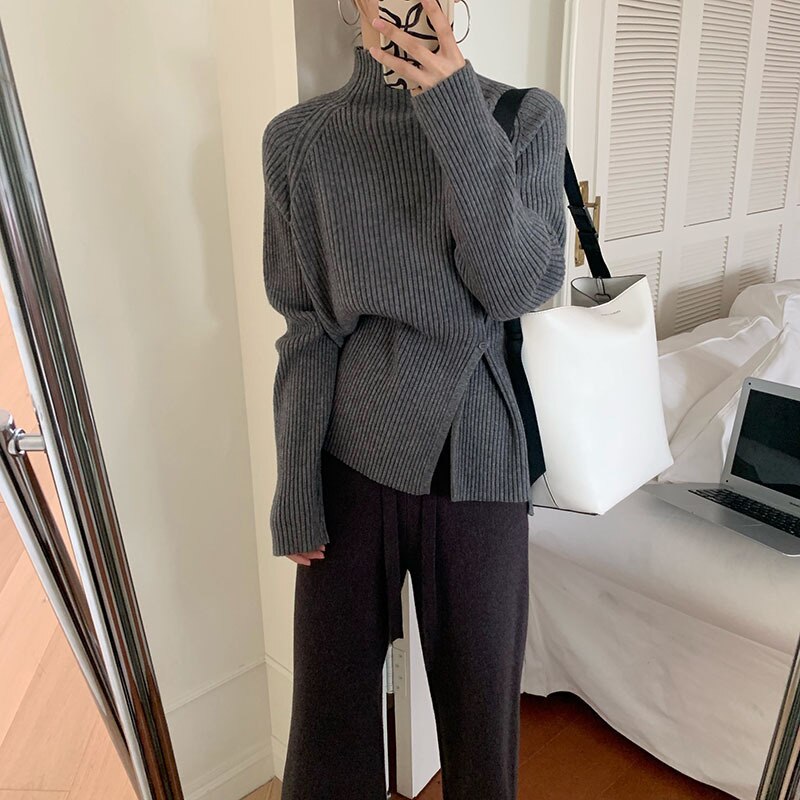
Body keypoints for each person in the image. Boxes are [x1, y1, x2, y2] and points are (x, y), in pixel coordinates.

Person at [261, 0, 567, 796]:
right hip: (349, 462)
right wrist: (296, 486)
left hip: (480, 468)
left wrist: (455, 111)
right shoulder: (299, 141)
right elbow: (306, 331)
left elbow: (516, 286)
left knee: (481, 741)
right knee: (327, 740)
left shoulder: (526, 120)